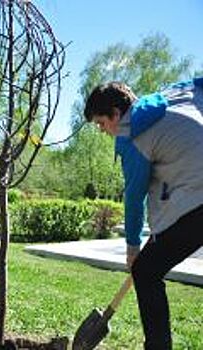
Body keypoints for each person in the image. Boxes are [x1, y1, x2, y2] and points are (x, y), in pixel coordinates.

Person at [84, 77, 203, 350]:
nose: (103, 131)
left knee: (146, 271)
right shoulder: (173, 93)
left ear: (116, 114)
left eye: (102, 124)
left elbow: (134, 198)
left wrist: (133, 248)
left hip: (198, 199)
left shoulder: (133, 137)